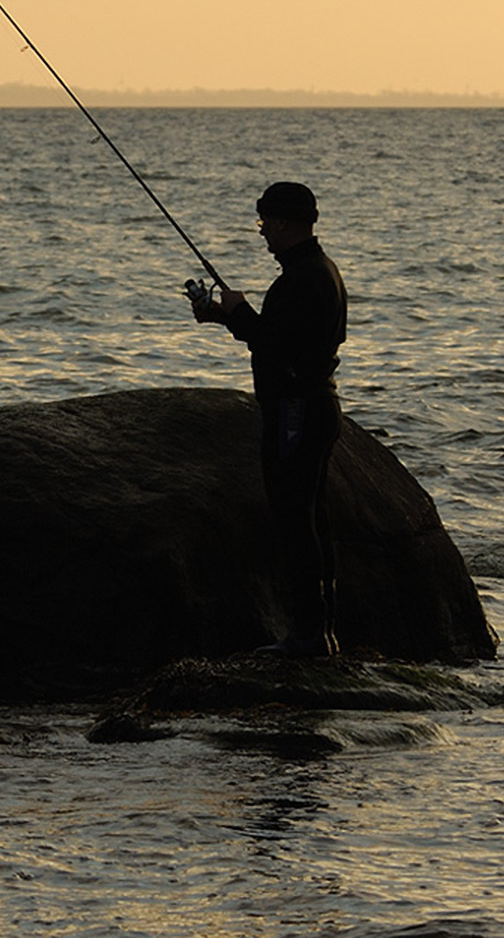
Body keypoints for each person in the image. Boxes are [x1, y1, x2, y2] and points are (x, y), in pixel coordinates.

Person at [192, 181, 347, 657]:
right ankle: (321, 631)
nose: (262, 233)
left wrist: (238, 314)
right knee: (312, 521)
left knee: (296, 523)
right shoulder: (321, 272)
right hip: (314, 406)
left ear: (282, 222)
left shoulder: (300, 280)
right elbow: (284, 339)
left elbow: (274, 345)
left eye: (264, 223)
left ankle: (307, 636)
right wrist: (225, 317)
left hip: (296, 412)